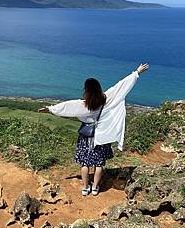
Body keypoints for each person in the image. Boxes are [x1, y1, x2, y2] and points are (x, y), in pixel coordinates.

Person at [38, 63, 149, 196]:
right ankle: (95, 187)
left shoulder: (83, 105)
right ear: (99, 89)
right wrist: (137, 72)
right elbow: (120, 86)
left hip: (86, 137)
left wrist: (49, 109)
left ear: (87, 91)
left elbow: (66, 107)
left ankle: (85, 188)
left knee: (85, 164)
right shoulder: (107, 99)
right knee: (99, 164)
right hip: (102, 136)